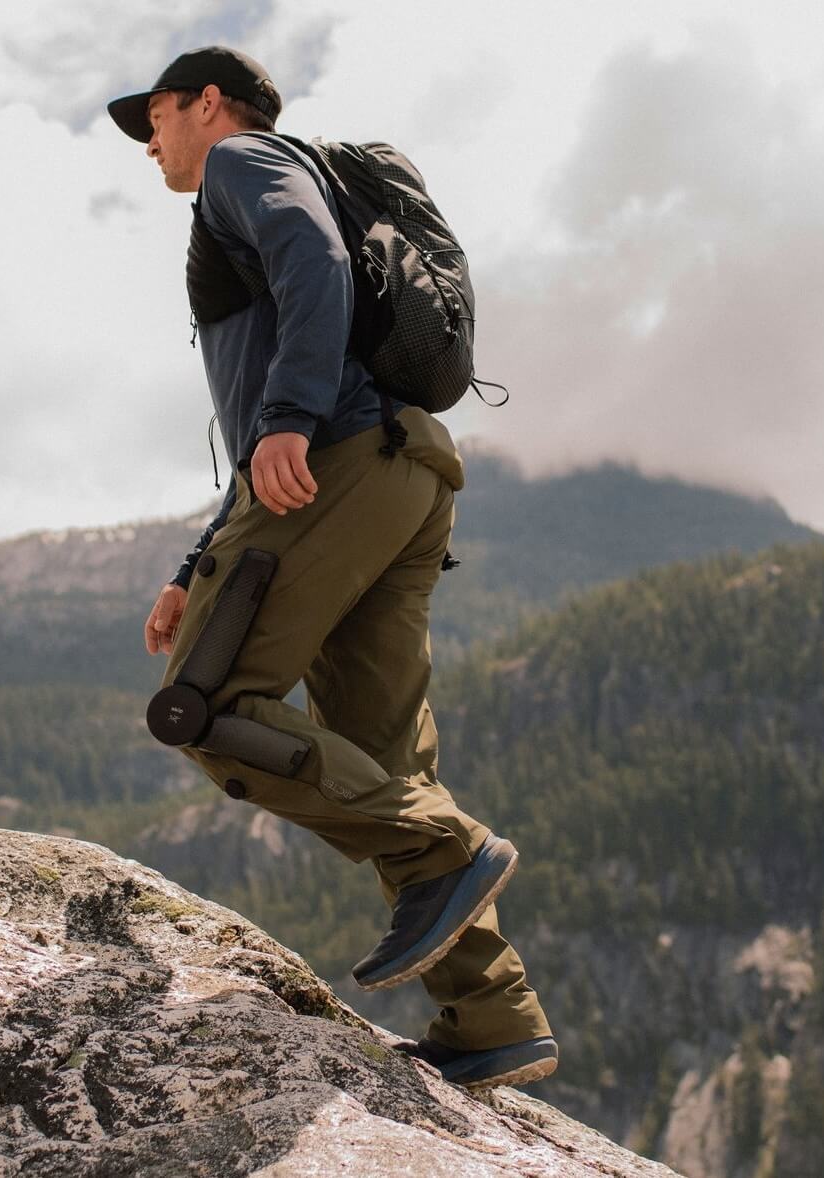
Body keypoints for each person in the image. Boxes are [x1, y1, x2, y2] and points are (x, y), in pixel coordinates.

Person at [106, 46, 556, 1089]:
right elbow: (270, 391)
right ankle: (493, 1015)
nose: (152, 142)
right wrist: (195, 563)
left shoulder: (242, 166)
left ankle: (449, 848)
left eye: (158, 117)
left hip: (337, 457)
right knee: (381, 756)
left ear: (208, 103)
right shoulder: (298, 168)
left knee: (203, 703)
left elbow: (312, 262)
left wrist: (298, 416)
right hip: (402, 471)